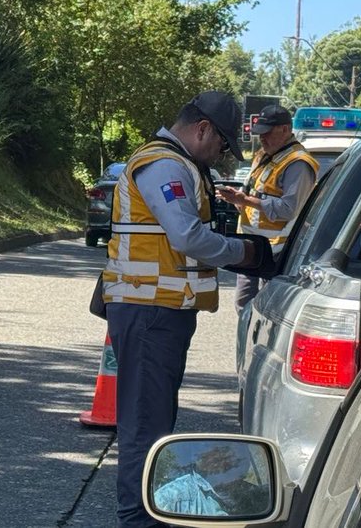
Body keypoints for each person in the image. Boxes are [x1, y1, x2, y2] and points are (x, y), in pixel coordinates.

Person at [101, 91, 260, 528]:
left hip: (158, 310)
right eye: (222, 144)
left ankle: (147, 514)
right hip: (148, 310)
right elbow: (187, 236)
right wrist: (244, 252)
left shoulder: (177, 164)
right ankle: (139, 519)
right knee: (145, 426)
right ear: (202, 128)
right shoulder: (165, 165)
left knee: (152, 420)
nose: (222, 154)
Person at [216, 104, 318, 313]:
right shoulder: (263, 156)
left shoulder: (298, 163)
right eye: (259, 133)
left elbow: (288, 209)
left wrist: (245, 201)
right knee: (244, 305)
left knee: (268, 308)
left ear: (285, 129)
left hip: (277, 251)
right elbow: (254, 197)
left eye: (267, 133)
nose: (262, 138)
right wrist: (235, 199)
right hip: (251, 245)